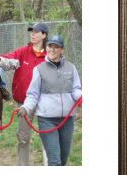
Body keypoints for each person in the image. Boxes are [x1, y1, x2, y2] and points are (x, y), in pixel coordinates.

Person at [17, 34, 82, 166]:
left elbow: (75, 89)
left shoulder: (71, 68)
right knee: (54, 160)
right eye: (50, 46)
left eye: (56, 47)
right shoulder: (39, 70)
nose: (52, 50)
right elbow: (33, 95)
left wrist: (81, 96)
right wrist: (25, 108)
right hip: (47, 120)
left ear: (62, 50)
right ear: (46, 47)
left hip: (67, 120)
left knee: (63, 160)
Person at [0, 22, 49, 166]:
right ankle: (23, 169)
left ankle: (51, 168)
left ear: (44, 35)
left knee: (48, 137)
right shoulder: (23, 52)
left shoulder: (50, 54)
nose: (33, 34)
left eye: (36, 32)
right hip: (24, 102)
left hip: (46, 103)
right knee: (23, 137)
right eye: (32, 31)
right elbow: (8, 60)